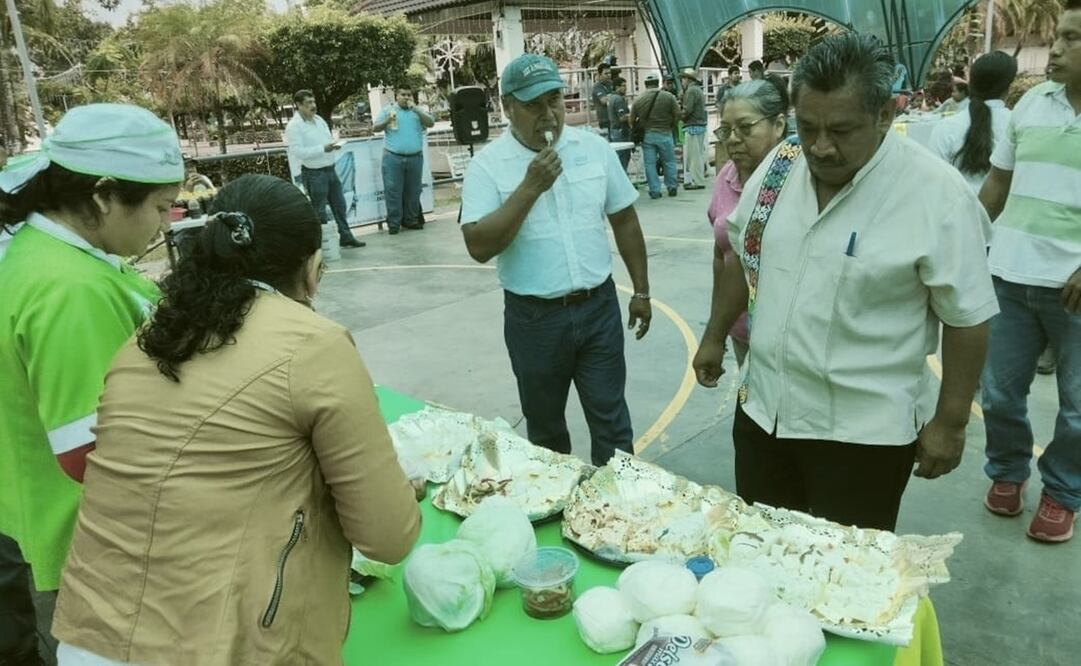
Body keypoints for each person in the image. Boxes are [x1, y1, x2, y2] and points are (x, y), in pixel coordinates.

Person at [51, 174, 423, 664]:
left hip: (90, 633)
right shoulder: (314, 344)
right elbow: (388, 537)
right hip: (212, 645)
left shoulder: (148, 336)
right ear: (313, 269)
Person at [693, 33, 997, 532]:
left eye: (840, 130)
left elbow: (968, 317)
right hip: (764, 413)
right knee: (761, 551)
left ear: (885, 115)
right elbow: (744, 257)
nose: (819, 146)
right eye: (807, 126)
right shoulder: (779, 167)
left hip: (863, 436)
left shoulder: (936, 195)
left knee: (846, 570)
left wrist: (951, 421)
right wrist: (713, 335)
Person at [0, 104, 184, 665]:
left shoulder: (58, 252)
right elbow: (92, 452)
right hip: (91, 546)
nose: (165, 224)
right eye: (159, 207)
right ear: (104, 195)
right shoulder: (69, 290)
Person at [459, 53, 652, 467]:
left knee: (613, 425)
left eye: (555, 100)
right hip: (535, 321)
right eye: (533, 105)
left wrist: (641, 291)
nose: (548, 115)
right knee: (546, 433)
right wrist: (530, 188)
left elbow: (624, 219)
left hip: (599, 310)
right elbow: (478, 246)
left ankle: (619, 502)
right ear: (506, 107)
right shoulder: (487, 166)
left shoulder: (593, 149)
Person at [976, 0, 1081, 543]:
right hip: (1009, 276)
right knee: (998, 393)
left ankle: (1063, 491)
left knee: (1078, 409)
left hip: (1074, 290)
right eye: (1057, 36)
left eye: (1072, 38)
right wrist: (966, 242)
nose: (1055, 48)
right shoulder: (1032, 104)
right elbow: (997, 185)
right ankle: (1008, 471)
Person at [700, 80, 789, 369]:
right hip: (742, 332)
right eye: (726, 130)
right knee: (748, 393)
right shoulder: (725, 178)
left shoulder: (798, 178)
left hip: (788, 335)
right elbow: (723, 256)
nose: (733, 139)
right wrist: (717, 329)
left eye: (746, 128)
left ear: (778, 125)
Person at [285, 89, 365, 248]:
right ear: (298, 105)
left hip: (330, 170)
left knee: (340, 205)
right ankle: (320, 244)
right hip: (314, 173)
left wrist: (333, 145)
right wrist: (323, 149)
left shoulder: (319, 120)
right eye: (308, 103)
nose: (313, 105)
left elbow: (327, 140)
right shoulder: (294, 126)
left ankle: (346, 236)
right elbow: (297, 151)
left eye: (313, 101)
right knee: (319, 211)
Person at [931, 51, 1017, 194]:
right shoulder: (1019, 126)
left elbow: (933, 182)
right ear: (1008, 87)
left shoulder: (946, 127)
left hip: (955, 206)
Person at [373, 85, 435, 235]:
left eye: (409, 95)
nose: (406, 97)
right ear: (397, 96)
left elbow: (431, 122)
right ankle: (394, 223)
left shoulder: (417, 112)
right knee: (393, 191)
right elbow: (375, 128)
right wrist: (387, 121)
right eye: (403, 94)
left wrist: (416, 109)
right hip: (393, 157)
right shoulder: (388, 110)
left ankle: (411, 220)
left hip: (415, 157)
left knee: (413, 191)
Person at [631, 74, 681, 199]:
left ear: (645, 85)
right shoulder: (669, 97)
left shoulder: (638, 99)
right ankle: (672, 186)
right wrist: (671, 125)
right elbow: (678, 114)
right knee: (669, 161)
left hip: (648, 136)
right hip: (665, 133)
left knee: (650, 164)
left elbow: (631, 120)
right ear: (658, 83)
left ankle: (655, 190)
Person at [679, 67, 708, 190]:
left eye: (683, 79)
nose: (682, 81)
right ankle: (697, 179)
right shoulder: (698, 90)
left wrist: (679, 115)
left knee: (693, 156)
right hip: (700, 125)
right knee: (698, 154)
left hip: (692, 126)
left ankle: (697, 181)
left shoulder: (691, 91)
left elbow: (687, 110)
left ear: (687, 79)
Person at [607, 77, 632, 171]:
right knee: (624, 156)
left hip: (614, 130)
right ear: (617, 87)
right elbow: (622, 118)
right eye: (623, 86)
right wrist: (632, 115)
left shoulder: (611, 98)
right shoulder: (618, 99)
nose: (625, 88)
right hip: (621, 131)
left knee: (619, 156)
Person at [592, 62, 614, 134]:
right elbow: (604, 101)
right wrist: (614, 96)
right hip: (605, 120)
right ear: (599, 74)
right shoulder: (597, 87)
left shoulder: (611, 84)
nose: (609, 75)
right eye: (606, 73)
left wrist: (610, 96)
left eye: (609, 73)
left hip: (614, 119)